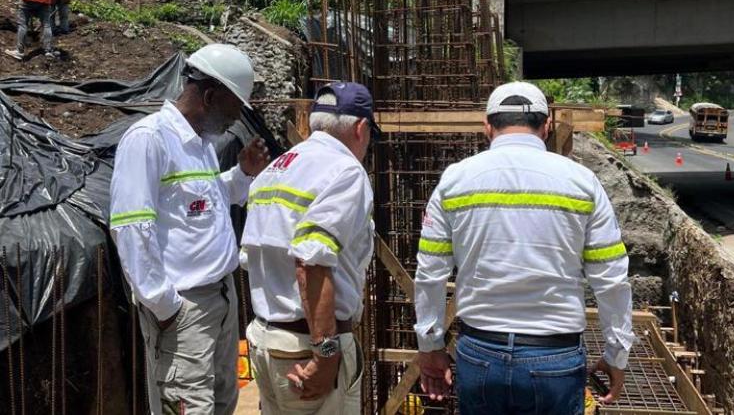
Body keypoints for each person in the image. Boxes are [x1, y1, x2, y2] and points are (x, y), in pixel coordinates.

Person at [414, 81, 634, 414]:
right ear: (547, 126)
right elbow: (611, 278)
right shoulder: (582, 182)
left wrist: (430, 345)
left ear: (487, 127)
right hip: (555, 358)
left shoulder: (455, 181)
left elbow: (430, 272)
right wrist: (617, 353)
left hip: (480, 353)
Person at [109, 44, 270, 415]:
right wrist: (165, 306)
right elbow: (132, 227)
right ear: (210, 96)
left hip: (220, 298)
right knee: (188, 407)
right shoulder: (149, 139)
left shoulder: (201, 145)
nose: (236, 120)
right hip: (184, 307)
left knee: (222, 402)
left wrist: (242, 173)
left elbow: (204, 202)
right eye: (234, 108)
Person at [241, 81, 380, 414]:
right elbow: (311, 260)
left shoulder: (275, 170)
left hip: (267, 342)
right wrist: (326, 354)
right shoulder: (345, 171)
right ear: (361, 128)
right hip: (307, 349)